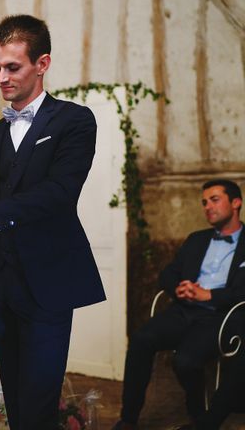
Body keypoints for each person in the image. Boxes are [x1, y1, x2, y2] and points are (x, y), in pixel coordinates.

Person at [0, 14, 106, 429]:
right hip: (1, 290)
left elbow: (58, 194)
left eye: (12, 67)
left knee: (39, 406)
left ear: (42, 64)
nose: (1, 77)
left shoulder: (74, 121)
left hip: (47, 286)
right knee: (15, 402)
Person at [113, 179, 245, 430]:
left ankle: (198, 414)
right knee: (141, 339)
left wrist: (209, 296)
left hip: (220, 317)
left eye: (214, 199)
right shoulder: (196, 239)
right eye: (204, 202)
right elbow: (168, 273)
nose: (207, 206)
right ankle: (128, 418)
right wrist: (179, 288)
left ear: (236, 202)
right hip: (183, 310)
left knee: (185, 361)